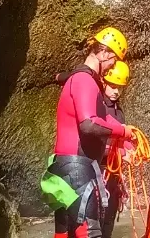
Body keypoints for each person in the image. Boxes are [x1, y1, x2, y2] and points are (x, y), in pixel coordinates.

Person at [41, 28, 137, 238]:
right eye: (113, 61)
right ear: (104, 53)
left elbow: (100, 118)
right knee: (90, 233)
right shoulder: (85, 80)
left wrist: (126, 134)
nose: (112, 66)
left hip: (66, 168)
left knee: (66, 233)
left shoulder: (81, 80)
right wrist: (122, 130)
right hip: (77, 169)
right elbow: (89, 124)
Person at [99, 61, 129, 238]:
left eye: (120, 87)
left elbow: (122, 140)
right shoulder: (98, 107)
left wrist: (129, 149)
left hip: (113, 172)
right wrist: (121, 153)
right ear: (104, 82)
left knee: (109, 218)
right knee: (98, 219)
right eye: (113, 86)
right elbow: (93, 141)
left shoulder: (118, 111)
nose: (116, 91)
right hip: (98, 170)